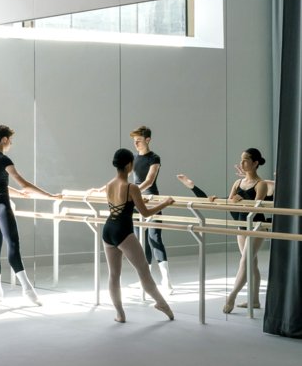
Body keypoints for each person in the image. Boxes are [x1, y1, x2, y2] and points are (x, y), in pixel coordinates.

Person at [177, 148, 269, 314]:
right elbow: (229, 205)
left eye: (246, 160)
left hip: (256, 226)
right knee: (251, 263)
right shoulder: (237, 183)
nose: (242, 163)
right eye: (241, 159)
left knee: (245, 262)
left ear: (255, 163)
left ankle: (231, 296)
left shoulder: (261, 184)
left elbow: (255, 208)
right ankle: (254, 301)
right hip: (241, 226)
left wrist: (242, 200)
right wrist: (213, 198)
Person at [0, 125, 61, 305]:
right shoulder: (4, 159)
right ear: (4, 139)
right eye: (10, 139)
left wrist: (18, 194)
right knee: (13, 244)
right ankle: (28, 290)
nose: (11, 143)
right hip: (1, 204)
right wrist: (49, 196)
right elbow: (23, 183)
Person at [101, 148, 175, 323]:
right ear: (129, 165)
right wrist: (165, 203)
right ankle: (161, 303)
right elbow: (146, 213)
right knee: (143, 271)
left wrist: (139, 200)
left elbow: (122, 205)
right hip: (123, 232)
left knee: (114, 274)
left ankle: (120, 314)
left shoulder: (109, 185)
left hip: (108, 230)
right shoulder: (131, 187)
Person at [130, 126, 173, 292]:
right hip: (136, 201)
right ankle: (145, 279)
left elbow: (149, 180)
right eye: (134, 141)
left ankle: (166, 280)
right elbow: (123, 178)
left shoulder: (154, 158)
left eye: (138, 140)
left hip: (152, 199)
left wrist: (133, 192)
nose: (136, 143)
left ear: (147, 140)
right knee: (140, 241)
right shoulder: (133, 158)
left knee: (154, 238)